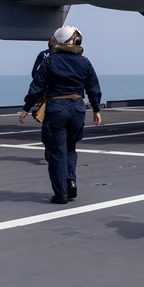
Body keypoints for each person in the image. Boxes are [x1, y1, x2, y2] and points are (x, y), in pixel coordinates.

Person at [20, 26, 102, 204]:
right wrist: (96, 109)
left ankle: (61, 195)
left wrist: (27, 108)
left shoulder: (50, 61)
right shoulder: (85, 62)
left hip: (57, 108)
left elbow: (37, 87)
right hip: (78, 108)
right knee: (71, 148)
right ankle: (70, 181)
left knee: (57, 152)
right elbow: (93, 88)